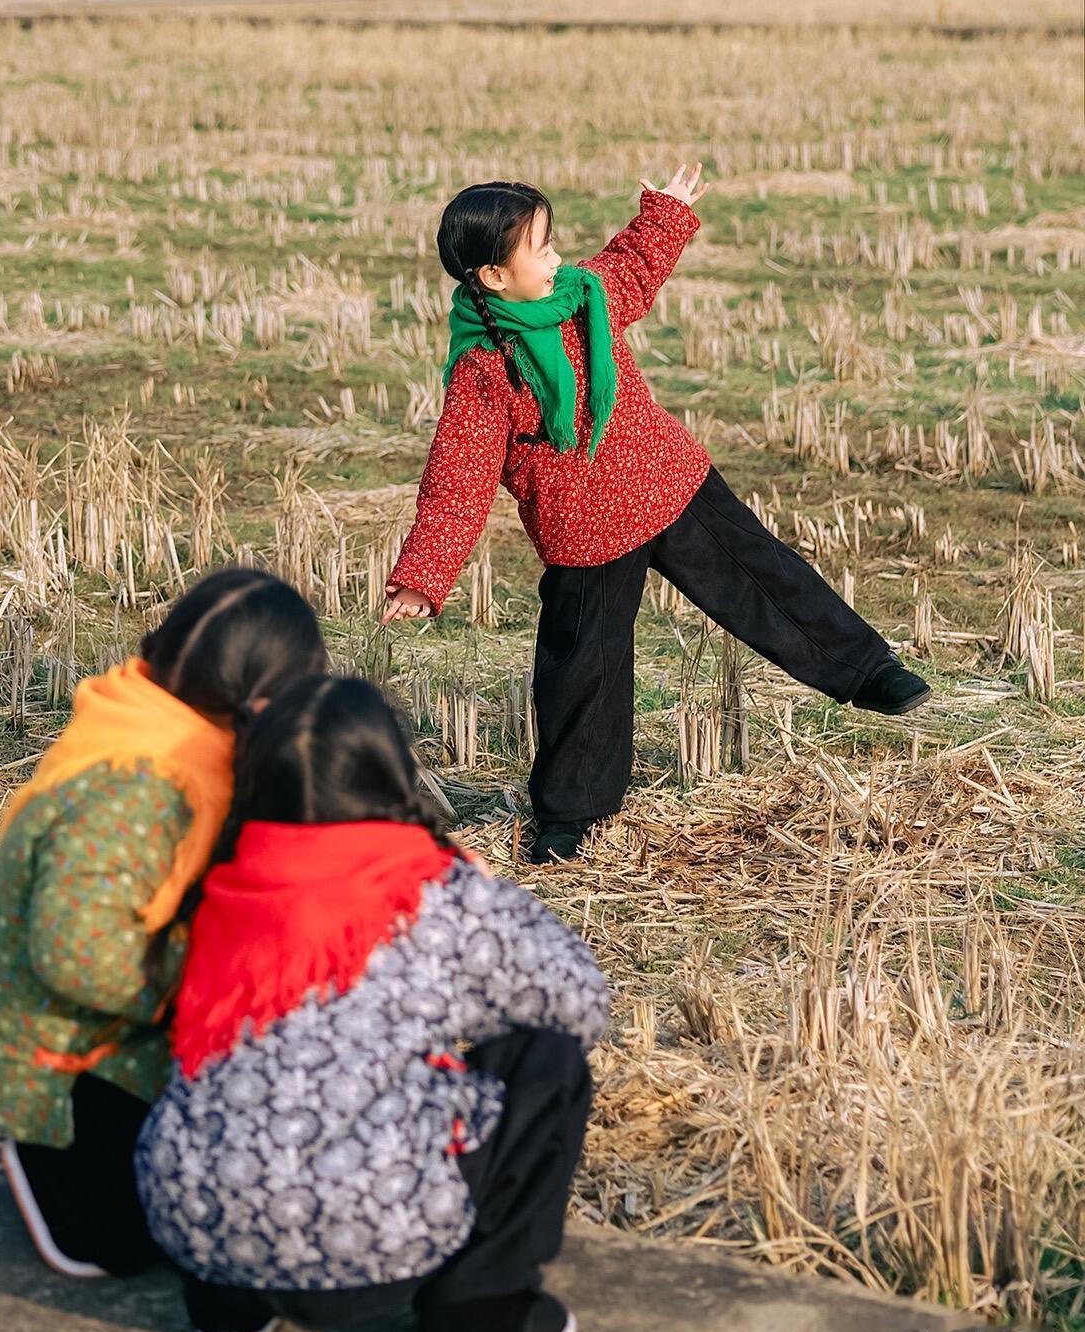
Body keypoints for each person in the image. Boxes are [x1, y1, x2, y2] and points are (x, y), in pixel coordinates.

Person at [382, 170, 929, 864]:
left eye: (552, 242)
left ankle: (869, 672)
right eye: (540, 250)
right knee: (582, 672)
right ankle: (570, 817)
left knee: (767, 581)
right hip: (585, 530)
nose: (557, 258)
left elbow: (634, 267)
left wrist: (666, 211)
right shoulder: (485, 370)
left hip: (668, 480)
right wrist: (423, 574)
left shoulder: (583, 296)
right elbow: (457, 478)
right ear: (493, 276)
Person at [136, 674, 609, 1332]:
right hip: (371, 1242)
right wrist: (479, 904)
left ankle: (231, 1313)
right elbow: (578, 1002)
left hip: (195, 1224)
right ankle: (478, 1319)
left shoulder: (213, 881)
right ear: (391, 771)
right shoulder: (429, 889)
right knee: (548, 1061)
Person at [0, 567, 326, 1279]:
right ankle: (38, 1152)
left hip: (101, 1016)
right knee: (123, 1244)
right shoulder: (147, 786)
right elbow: (77, 952)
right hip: (58, 1055)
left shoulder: (147, 718)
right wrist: (200, 987)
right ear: (261, 701)